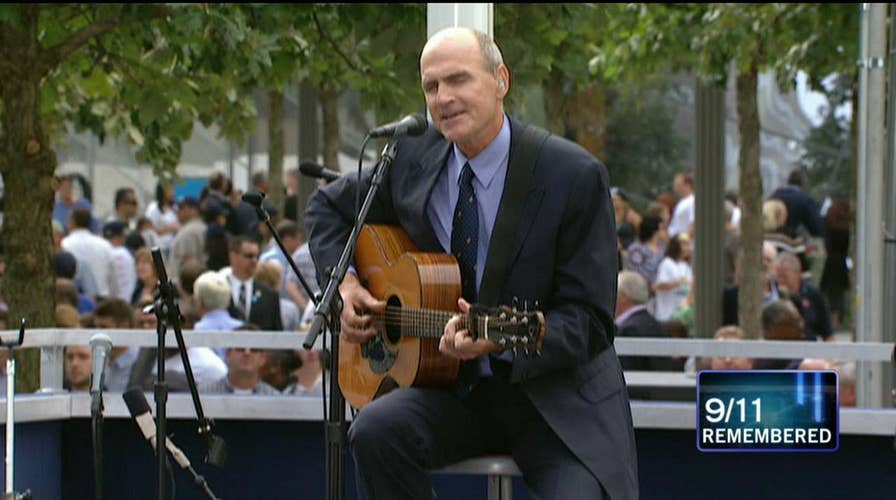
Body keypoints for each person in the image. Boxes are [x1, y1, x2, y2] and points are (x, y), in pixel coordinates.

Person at [305, 27, 637, 500]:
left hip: (555, 402)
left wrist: (498, 339)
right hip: (455, 392)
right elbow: (326, 209)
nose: (443, 98)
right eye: (431, 86)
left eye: (458, 80)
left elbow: (591, 322)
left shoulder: (572, 174)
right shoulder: (410, 157)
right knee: (375, 431)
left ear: (501, 80)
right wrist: (348, 287)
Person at [224, 236, 283, 331]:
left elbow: (277, 332)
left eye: (257, 256)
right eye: (249, 256)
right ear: (233, 256)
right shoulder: (219, 290)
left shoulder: (269, 295)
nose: (254, 261)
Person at [774, 251, 833, 342]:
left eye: (784, 276)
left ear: (798, 273)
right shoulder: (773, 294)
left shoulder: (814, 295)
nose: (780, 281)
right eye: (778, 276)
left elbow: (827, 334)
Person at [769, 169, 825, 239]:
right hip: (786, 242)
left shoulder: (774, 195)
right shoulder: (804, 199)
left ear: (788, 181)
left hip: (767, 239)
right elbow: (817, 229)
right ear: (803, 183)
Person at [653, 232, 693, 321]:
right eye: (684, 245)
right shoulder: (667, 263)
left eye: (688, 245)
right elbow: (659, 285)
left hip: (681, 315)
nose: (688, 248)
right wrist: (678, 282)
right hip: (666, 315)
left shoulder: (687, 266)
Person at [667, 171, 694, 238]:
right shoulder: (682, 202)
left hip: (681, 244)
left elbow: (694, 225)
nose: (675, 188)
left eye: (678, 185)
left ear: (687, 185)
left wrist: (682, 241)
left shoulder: (692, 201)